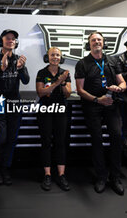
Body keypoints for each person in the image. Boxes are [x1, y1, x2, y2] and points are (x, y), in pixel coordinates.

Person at [75, 32, 127, 196]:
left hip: (112, 104)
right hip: (93, 106)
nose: (96, 42)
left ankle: (115, 177)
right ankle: (101, 177)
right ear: (89, 44)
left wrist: (120, 88)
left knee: (117, 137)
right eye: (93, 40)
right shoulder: (83, 63)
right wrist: (98, 100)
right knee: (97, 140)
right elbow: (80, 90)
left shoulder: (112, 60)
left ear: (103, 43)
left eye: (99, 40)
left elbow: (122, 81)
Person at [0, 29, 30, 186]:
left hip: (14, 101)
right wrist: (0, 69)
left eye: (13, 39)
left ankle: (5, 168)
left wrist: (21, 68)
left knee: (11, 138)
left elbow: (25, 81)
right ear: (1, 41)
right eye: (8, 38)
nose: (11, 40)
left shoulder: (19, 60)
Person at [36, 47, 71, 191]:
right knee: (46, 141)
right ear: (47, 57)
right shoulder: (41, 73)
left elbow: (68, 94)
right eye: (52, 55)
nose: (55, 57)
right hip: (45, 110)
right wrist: (57, 82)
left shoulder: (65, 74)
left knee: (60, 142)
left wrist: (63, 83)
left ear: (60, 58)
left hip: (61, 110)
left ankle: (61, 175)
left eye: (57, 55)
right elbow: (41, 92)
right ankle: (47, 175)